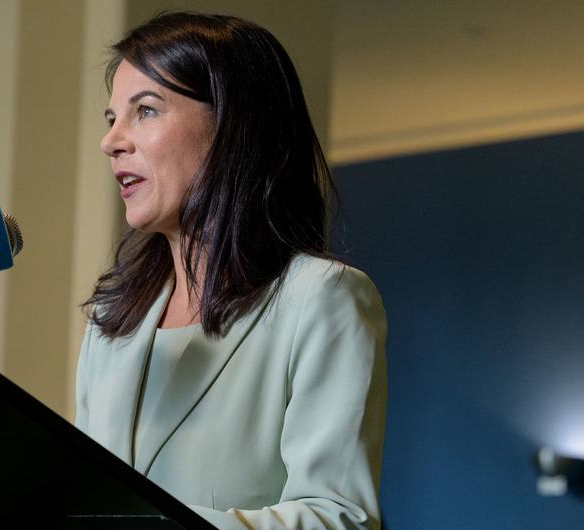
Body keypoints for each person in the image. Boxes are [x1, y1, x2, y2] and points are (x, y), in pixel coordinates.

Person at [74, 12, 387, 530]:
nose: (112, 141)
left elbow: (339, 517)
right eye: (112, 119)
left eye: (145, 111)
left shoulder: (322, 298)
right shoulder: (112, 319)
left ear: (234, 127)